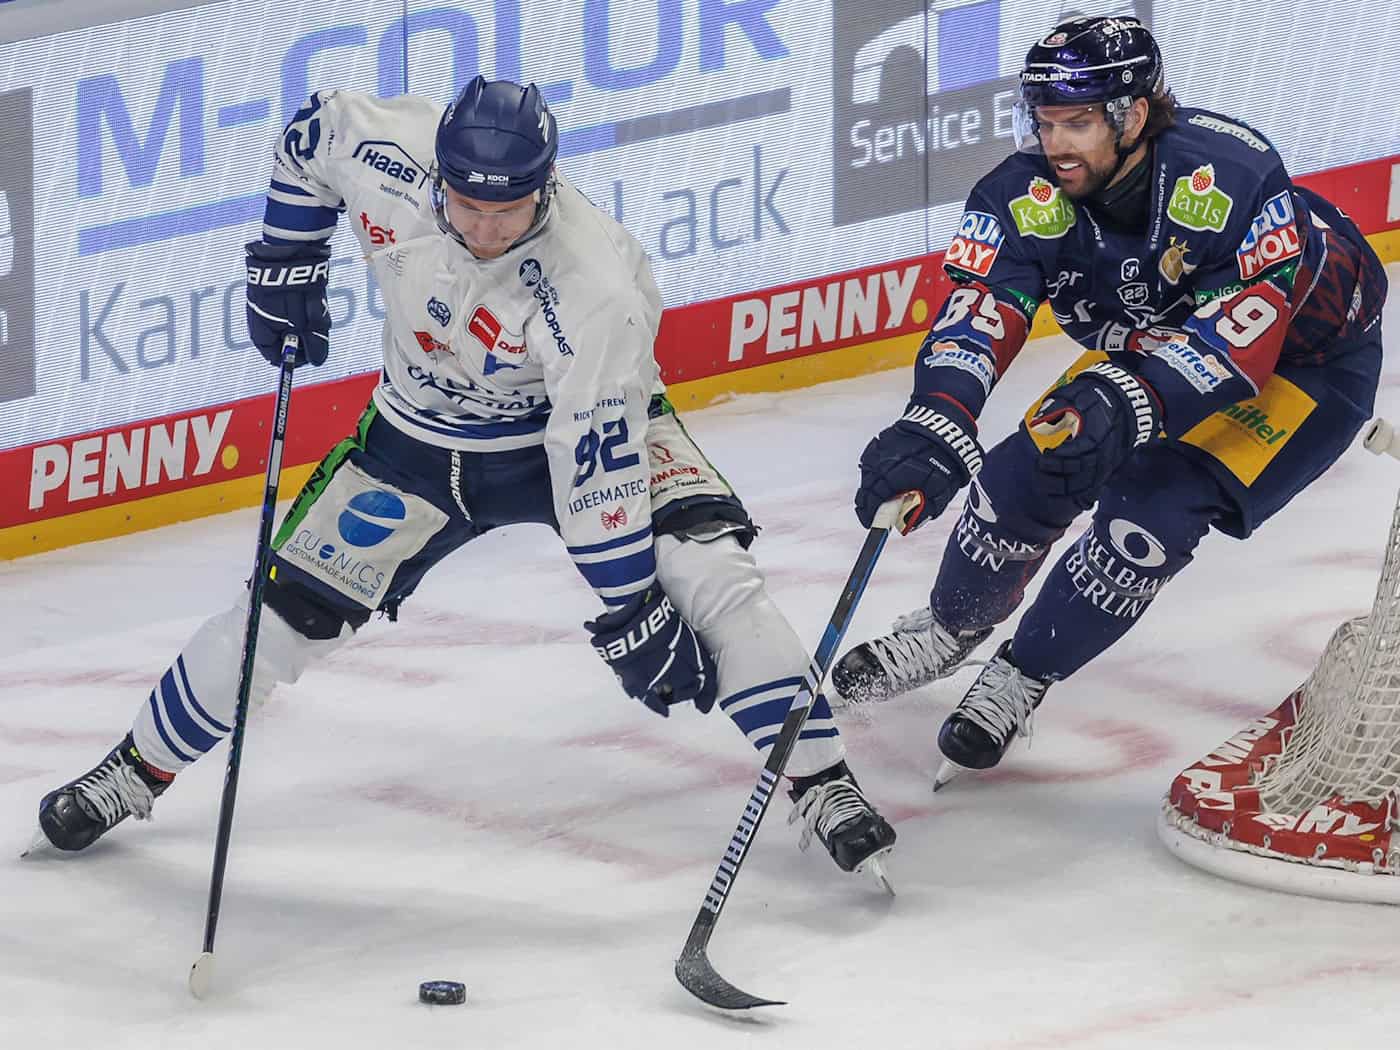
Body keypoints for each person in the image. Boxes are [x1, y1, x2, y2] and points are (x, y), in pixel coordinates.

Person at [32, 77, 895, 877]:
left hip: (571, 435)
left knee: (709, 572)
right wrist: (285, 255)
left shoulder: (595, 287)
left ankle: (822, 781)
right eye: (467, 202)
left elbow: (596, 473)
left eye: (507, 208)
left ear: (545, 187)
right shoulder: (388, 153)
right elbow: (309, 135)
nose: (483, 226)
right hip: (412, 441)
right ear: (439, 172)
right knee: (281, 615)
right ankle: (132, 772)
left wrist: (632, 608)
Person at [832, 16, 1387, 789]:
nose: (1056, 142)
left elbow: (1238, 344)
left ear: (1132, 115)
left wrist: (1125, 394)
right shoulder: (1024, 194)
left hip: (1304, 369)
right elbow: (980, 310)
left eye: (1078, 122)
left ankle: (1024, 674)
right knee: (1029, 471)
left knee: (1146, 520)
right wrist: (939, 414)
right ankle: (952, 626)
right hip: (1157, 345)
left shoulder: (1231, 174)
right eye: (1045, 121)